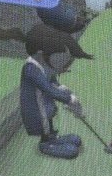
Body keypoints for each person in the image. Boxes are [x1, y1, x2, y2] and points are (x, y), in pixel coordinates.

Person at [19, 23, 87, 159]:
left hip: (45, 104)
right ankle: (46, 143)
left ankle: (52, 137)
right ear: (39, 51)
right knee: (45, 121)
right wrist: (69, 99)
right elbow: (48, 89)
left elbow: (53, 82)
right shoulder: (31, 68)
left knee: (71, 136)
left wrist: (65, 91)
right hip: (36, 108)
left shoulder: (44, 64)